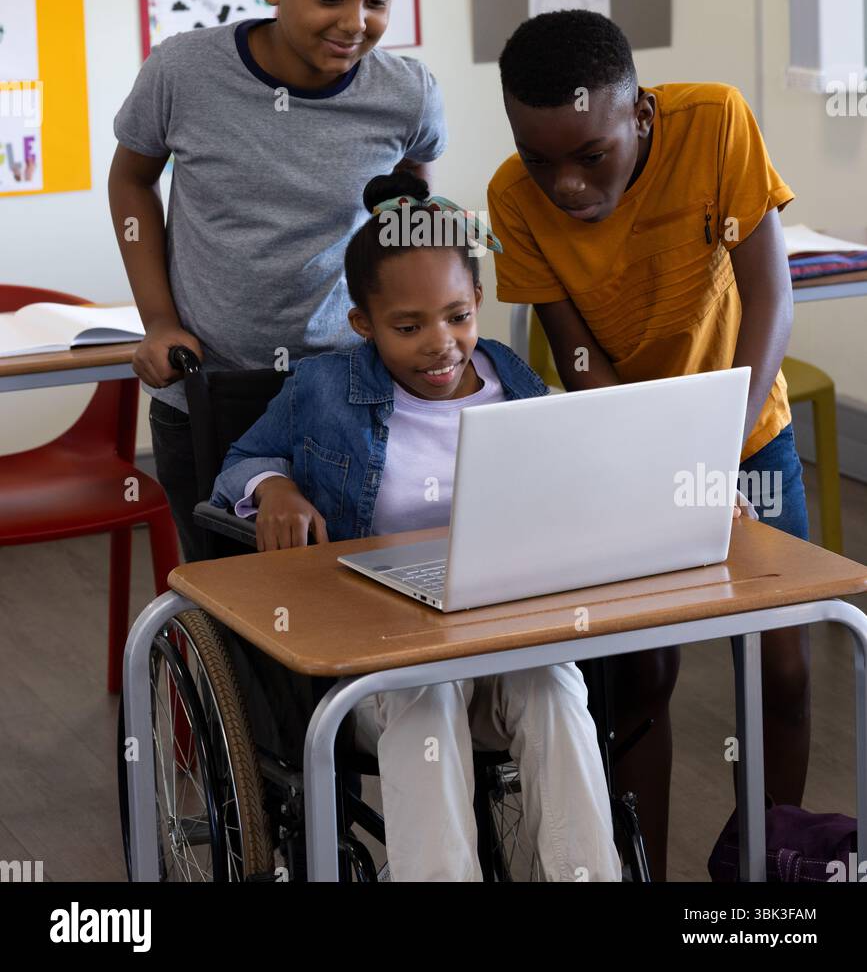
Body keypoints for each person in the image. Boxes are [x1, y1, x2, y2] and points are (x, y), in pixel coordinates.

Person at [210, 171, 623, 883]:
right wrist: (272, 485)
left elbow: (582, 457)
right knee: (425, 696)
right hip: (384, 659)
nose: (441, 344)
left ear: (479, 304)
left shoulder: (513, 378)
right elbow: (242, 458)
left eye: (457, 317)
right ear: (363, 324)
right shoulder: (324, 389)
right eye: (408, 327)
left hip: (503, 637)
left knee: (555, 684)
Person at [487, 9, 809, 881]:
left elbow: (768, 296)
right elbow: (575, 354)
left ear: (639, 114)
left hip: (747, 430)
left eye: (588, 155)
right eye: (535, 155)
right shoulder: (510, 202)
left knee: (778, 662)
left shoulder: (713, 123)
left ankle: (766, 874)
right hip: (626, 448)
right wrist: (655, 464)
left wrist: (716, 452)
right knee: (638, 677)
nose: (562, 184)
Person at [109, 0, 446, 563]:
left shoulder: (405, 95)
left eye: (377, 1)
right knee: (230, 596)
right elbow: (133, 183)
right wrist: (160, 321)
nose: (355, 24)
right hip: (205, 389)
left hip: (350, 390)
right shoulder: (182, 74)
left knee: (355, 587)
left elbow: (407, 213)